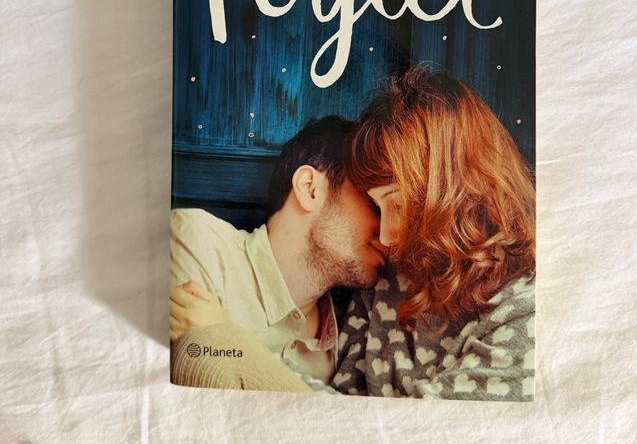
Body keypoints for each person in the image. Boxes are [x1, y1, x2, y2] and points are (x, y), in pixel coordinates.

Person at [332, 66, 536, 400]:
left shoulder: (527, 308)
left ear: (457, 192)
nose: (387, 237)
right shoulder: (385, 283)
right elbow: (336, 408)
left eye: (398, 205)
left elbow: (433, 426)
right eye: (377, 208)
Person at [170, 115, 384, 388]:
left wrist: (225, 341)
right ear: (310, 189)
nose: (391, 234)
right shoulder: (199, 244)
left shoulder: (348, 340)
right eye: (375, 205)